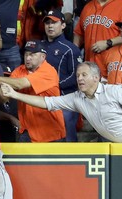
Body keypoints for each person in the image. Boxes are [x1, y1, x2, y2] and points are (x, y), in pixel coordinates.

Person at [1, 61, 122, 143]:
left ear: (96, 78)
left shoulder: (115, 92)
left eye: (84, 75)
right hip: (113, 146)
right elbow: (48, 102)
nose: (79, 79)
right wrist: (15, 94)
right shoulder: (77, 98)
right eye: (77, 76)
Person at [0, 40, 66, 143]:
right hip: (28, 132)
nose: (28, 58)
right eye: (26, 54)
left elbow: (20, 84)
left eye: (32, 54)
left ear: (43, 57)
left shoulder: (49, 71)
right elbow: (4, 98)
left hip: (50, 132)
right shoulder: (19, 71)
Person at [42, 10, 82, 142]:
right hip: (41, 98)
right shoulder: (39, 46)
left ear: (63, 25)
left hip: (65, 99)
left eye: (54, 22)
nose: (50, 26)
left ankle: (73, 162)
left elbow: (75, 76)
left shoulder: (71, 48)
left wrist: (53, 86)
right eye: (47, 23)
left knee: (67, 137)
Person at [73, 0, 122, 81]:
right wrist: (74, 52)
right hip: (89, 68)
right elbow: (79, 33)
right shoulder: (88, 7)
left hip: (112, 68)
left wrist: (108, 43)